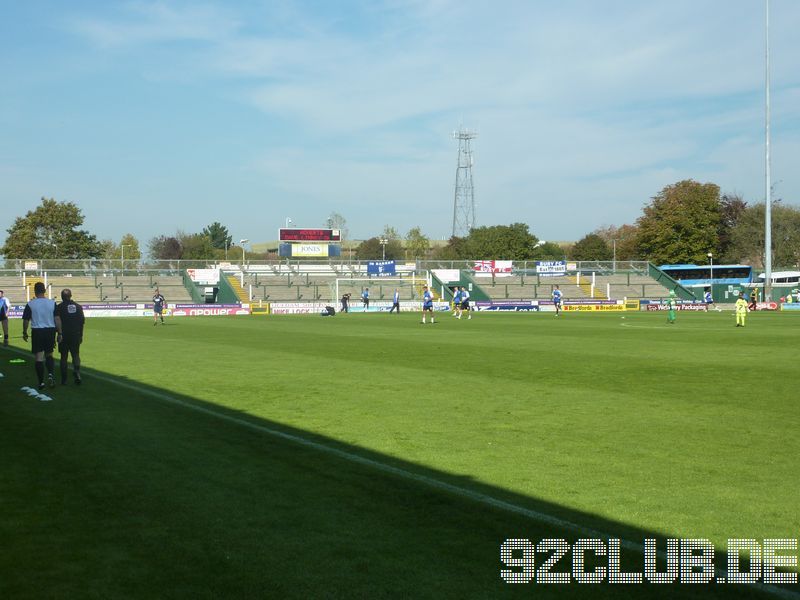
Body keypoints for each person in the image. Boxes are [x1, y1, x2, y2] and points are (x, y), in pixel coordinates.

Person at [21, 281, 62, 390]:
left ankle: (41, 383)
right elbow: (57, 319)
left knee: (39, 357)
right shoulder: (52, 303)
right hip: (50, 331)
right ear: (44, 290)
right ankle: (50, 375)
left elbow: (26, 320)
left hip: (37, 331)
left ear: (35, 291)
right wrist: (60, 333)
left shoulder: (30, 304)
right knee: (49, 354)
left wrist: (24, 332)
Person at [55, 288, 85, 385]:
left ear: (62, 297)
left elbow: (56, 321)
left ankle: (64, 379)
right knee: (76, 355)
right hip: (75, 335)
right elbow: (82, 322)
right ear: (71, 296)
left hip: (63, 335)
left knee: (64, 357)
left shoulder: (59, 307)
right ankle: (77, 372)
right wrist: (81, 335)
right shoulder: (78, 307)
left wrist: (58, 334)